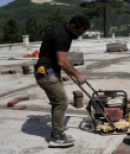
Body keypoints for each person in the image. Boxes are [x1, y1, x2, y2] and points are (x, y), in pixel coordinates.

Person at [34, 15, 90, 147]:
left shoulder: (62, 31)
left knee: (57, 102)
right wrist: (78, 75)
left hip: (50, 71)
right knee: (61, 102)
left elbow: (60, 59)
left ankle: (57, 131)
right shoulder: (62, 36)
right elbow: (62, 61)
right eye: (79, 32)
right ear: (72, 26)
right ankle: (56, 137)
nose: (80, 35)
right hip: (46, 73)